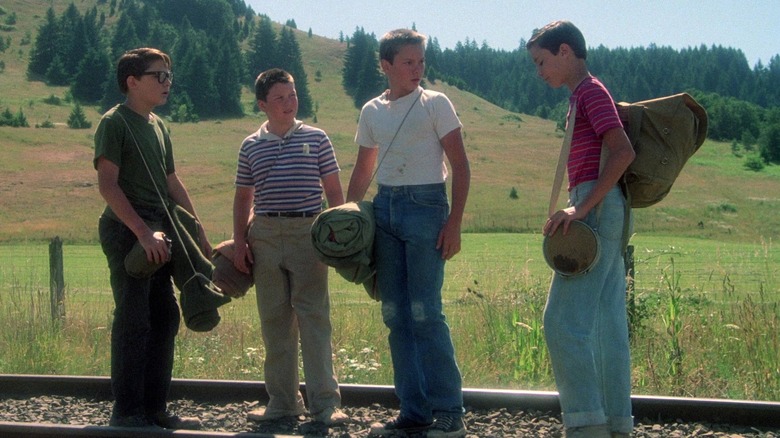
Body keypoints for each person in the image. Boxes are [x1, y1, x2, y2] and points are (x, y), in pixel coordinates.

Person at [346, 29, 471, 438]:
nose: (417, 69)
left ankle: (449, 411)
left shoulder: (436, 103)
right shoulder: (372, 111)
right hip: (385, 209)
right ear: (386, 65)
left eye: (421, 62)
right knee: (395, 314)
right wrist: (347, 222)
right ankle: (414, 411)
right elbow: (363, 169)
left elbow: (460, 165)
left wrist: (454, 223)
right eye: (408, 62)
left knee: (425, 312)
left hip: (427, 208)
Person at [526, 21, 636, 438]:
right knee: (608, 325)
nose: (539, 72)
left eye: (542, 61)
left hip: (596, 205)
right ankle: (616, 424)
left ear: (565, 51)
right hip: (606, 207)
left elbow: (623, 151)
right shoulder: (584, 94)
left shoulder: (590, 92)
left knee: (561, 322)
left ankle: (586, 423)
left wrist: (580, 207)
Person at [94, 47, 206, 430]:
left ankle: (155, 410)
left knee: (165, 316)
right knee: (134, 319)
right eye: (159, 76)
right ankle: (127, 413)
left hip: (160, 231)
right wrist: (142, 233)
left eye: (169, 76)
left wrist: (197, 229)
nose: (167, 82)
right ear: (132, 81)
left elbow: (171, 181)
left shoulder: (159, 125)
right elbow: (108, 186)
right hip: (127, 232)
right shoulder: (115, 123)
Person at [231, 68, 348, 426]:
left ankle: (325, 404)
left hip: (308, 232)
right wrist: (240, 243)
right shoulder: (250, 145)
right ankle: (282, 402)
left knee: (314, 318)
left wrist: (340, 233)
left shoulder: (317, 137)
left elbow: (334, 191)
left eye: (292, 95)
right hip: (264, 234)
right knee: (274, 320)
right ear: (262, 105)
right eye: (279, 98)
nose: (288, 103)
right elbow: (243, 198)